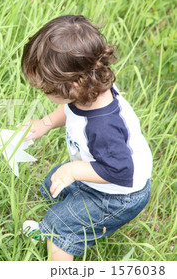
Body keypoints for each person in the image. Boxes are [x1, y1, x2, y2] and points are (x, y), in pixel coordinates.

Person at [19, 15, 152, 261]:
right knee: (52, 185)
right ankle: (60, 222)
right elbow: (69, 110)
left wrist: (74, 170)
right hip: (102, 173)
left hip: (117, 195)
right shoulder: (88, 90)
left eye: (46, 89)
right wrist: (45, 124)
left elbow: (119, 171)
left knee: (59, 224)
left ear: (73, 85)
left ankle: (57, 238)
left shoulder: (103, 127)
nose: (42, 93)